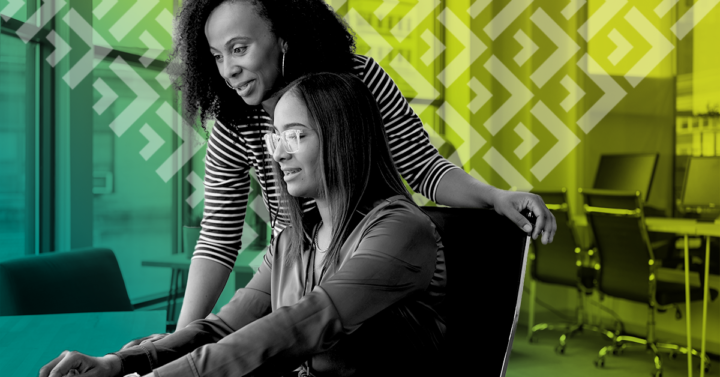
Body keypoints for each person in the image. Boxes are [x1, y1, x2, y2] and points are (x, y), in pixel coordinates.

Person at [142, 0, 556, 339]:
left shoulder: (359, 82)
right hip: (301, 275)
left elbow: (424, 168)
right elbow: (219, 234)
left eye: (239, 48)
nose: (228, 70)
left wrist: (494, 197)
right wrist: (181, 339)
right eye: (216, 56)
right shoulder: (236, 120)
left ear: (283, 39)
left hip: (371, 272)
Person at [40, 72, 447, 377]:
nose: (279, 154)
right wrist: (119, 363)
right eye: (275, 139)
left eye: (296, 136)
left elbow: (301, 325)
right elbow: (222, 327)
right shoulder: (293, 237)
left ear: (345, 137)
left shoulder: (400, 229)